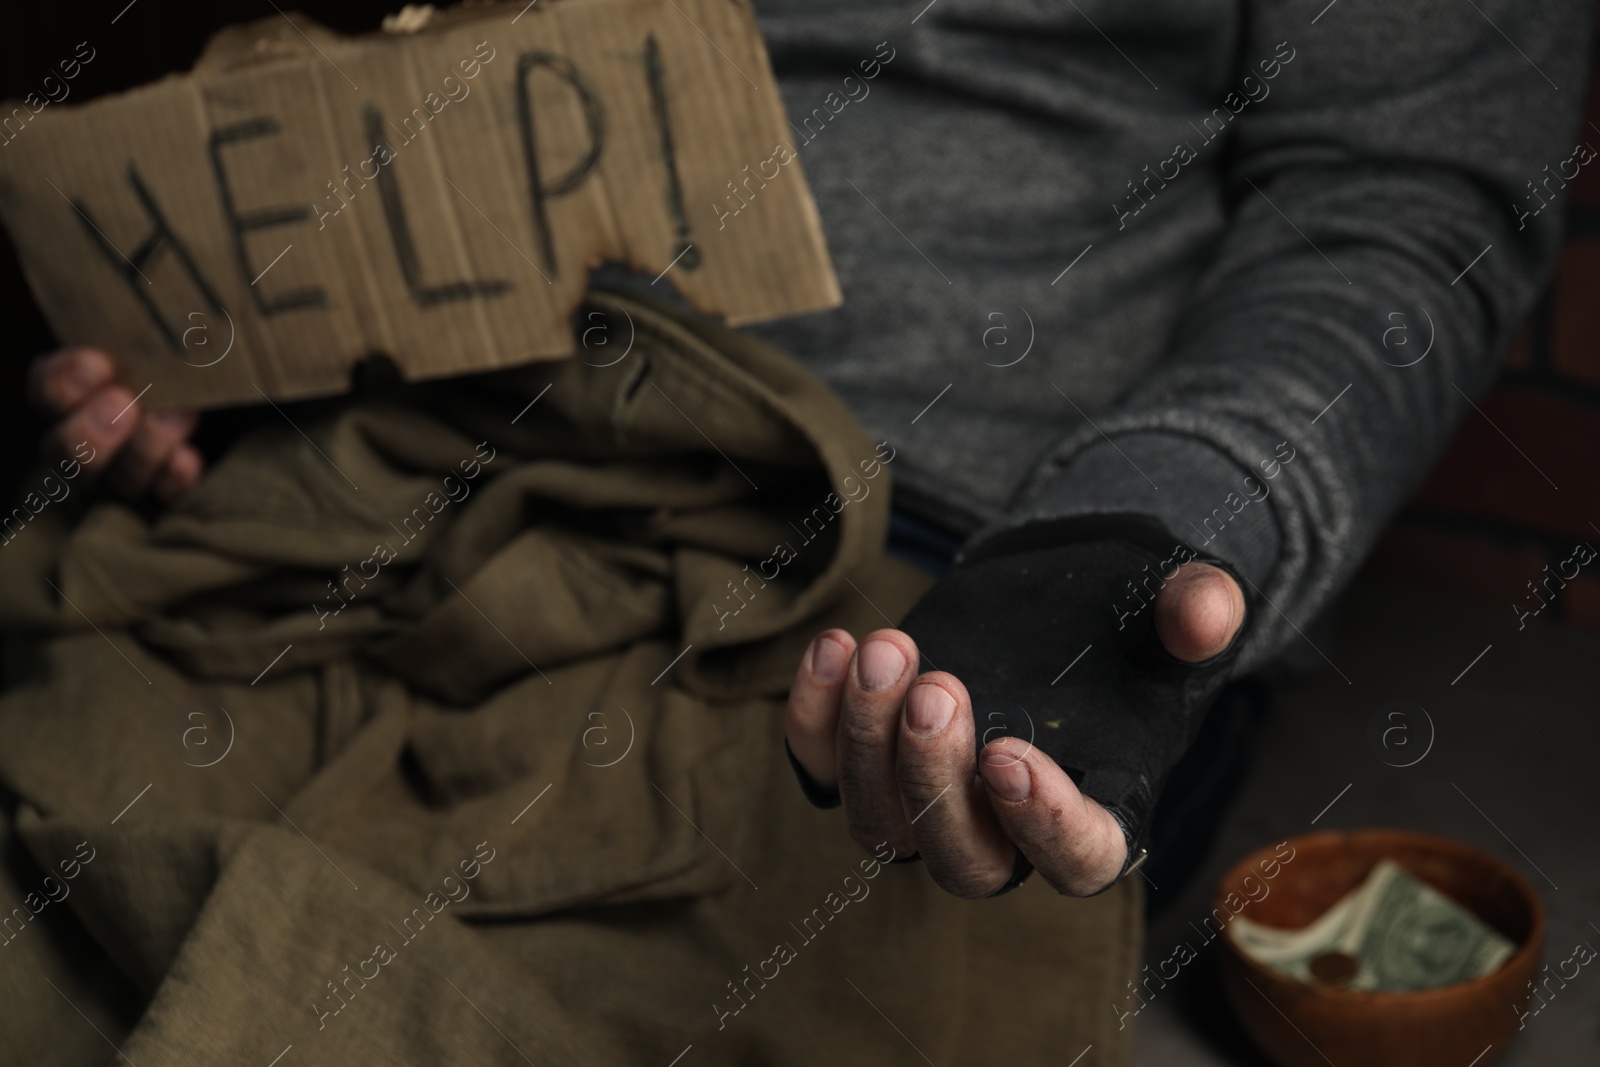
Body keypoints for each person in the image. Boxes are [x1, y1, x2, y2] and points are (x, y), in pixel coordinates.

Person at [23, 0, 1591, 905]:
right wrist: (238, 320)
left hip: (955, 521)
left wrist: (1152, 518)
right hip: (434, 417)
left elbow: (1403, 201)